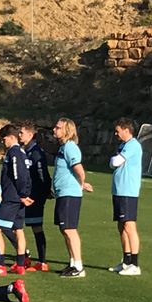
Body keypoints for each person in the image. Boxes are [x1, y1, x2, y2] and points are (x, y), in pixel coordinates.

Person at [52, 118, 93, 278]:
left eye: (58, 127)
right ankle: (72, 263)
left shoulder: (70, 147)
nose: (54, 130)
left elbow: (79, 170)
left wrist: (81, 184)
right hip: (63, 193)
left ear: (67, 130)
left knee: (69, 229)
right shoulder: (63, 147)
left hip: (70, 194)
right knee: (64, 229)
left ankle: (78, 266)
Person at [0, 125, 33, 275]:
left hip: (12, 198)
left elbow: (19, 174)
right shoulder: (21, 152)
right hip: (19, 198)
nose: (3, 143)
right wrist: (26, 194)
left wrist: (22, 194)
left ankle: (0, 264)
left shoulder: (14, 152)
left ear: (10, 137)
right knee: (18, 229)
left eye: (4, 139)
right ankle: (20, 264)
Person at [108, 118, 143, 276]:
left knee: (129, 225)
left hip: (128, 191)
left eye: (118, 130)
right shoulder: (123, 145)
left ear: (126, 130)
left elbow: (116, 161)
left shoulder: (133, 145)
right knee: (121, 226)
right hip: (119, 190)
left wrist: (114, 161)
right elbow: (112, 162)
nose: (116, 133)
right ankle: (126, 261)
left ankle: (135, 264)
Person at [19, 121, 52, 272]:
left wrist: (43, 193)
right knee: (19, 226)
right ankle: (26, 257)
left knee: (36, 227)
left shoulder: (36, 152)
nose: (19, 135)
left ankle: (42, 261)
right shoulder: (26, 151)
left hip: (34, 196)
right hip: (28, 195)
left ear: (30, 135)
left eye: (22, 133)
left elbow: (42, 174)